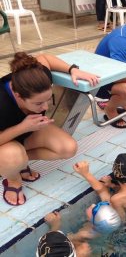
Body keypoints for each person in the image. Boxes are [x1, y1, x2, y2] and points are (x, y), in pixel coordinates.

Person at [0, 52, 99, 206]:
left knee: (68, 148)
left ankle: (18, 163)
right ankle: (12, 178)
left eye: (48, 99)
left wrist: (72, 69)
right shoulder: (2, 102)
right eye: (39, 103)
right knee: (13, 158)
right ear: (18, 96)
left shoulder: (40, 77)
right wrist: (22, 127)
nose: (45, 107)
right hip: (5, 140)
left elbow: (44, 58)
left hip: (27, 132)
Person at [74, 154, 126, 223]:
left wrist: (86, 173)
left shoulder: (116, 199)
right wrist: (111, 185)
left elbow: (122, 220)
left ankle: (86, 174)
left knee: (105, 194)